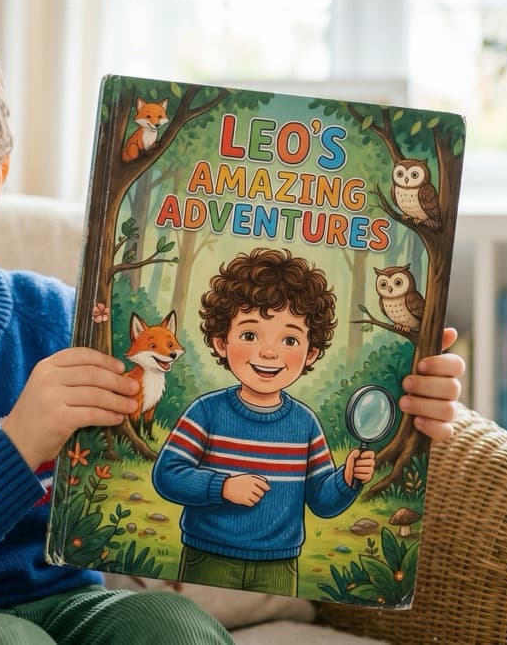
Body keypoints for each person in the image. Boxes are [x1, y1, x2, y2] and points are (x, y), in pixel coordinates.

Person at [0, 0, 465, 644]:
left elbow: (214, 413)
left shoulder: (62, 319)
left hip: (59, 606)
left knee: (173, 627)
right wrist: (20, 438)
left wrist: (403, 402)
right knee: (0, 642)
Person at [153, 248, 437, 596]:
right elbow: (167, 475)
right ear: (221, 342)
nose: (269, 352)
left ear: (311, 352)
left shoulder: (304, 423)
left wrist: (347, 479)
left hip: (280, 564)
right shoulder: (206, 411)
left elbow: (321, 501)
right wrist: (223, 487)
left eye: (289, 340)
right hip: (207, 554)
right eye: (249, 335)